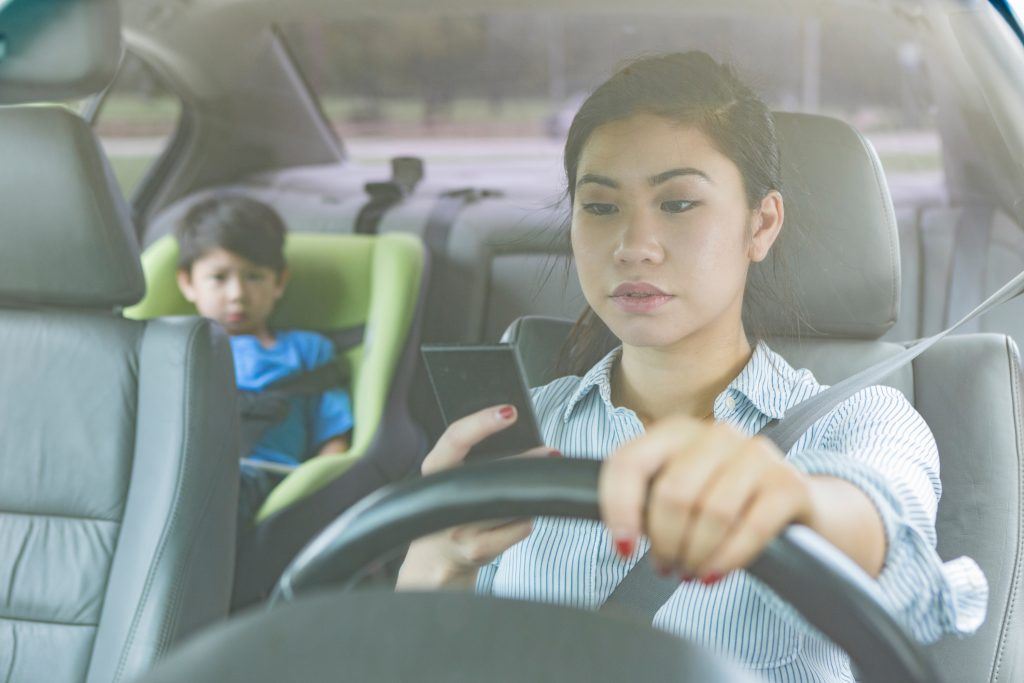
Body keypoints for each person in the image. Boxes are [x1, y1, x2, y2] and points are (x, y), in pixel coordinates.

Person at [395, 52, 987, 681]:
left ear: (761, 225)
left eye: (678, 203)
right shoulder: (522, 426)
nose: (633, 247)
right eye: (600, 207)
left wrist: (798, 504)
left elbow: (892, 542)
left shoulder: (862, 420)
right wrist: (436, 564)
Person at [175, 194, 354, 524]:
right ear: (188, 283)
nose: (237, 294)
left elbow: (334, 440)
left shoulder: (307, 350)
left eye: (254, 276)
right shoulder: (176, 348)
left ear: (279, 281)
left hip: (268, 483)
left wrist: (315, 495)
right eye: (218, 278)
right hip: (185, 477)